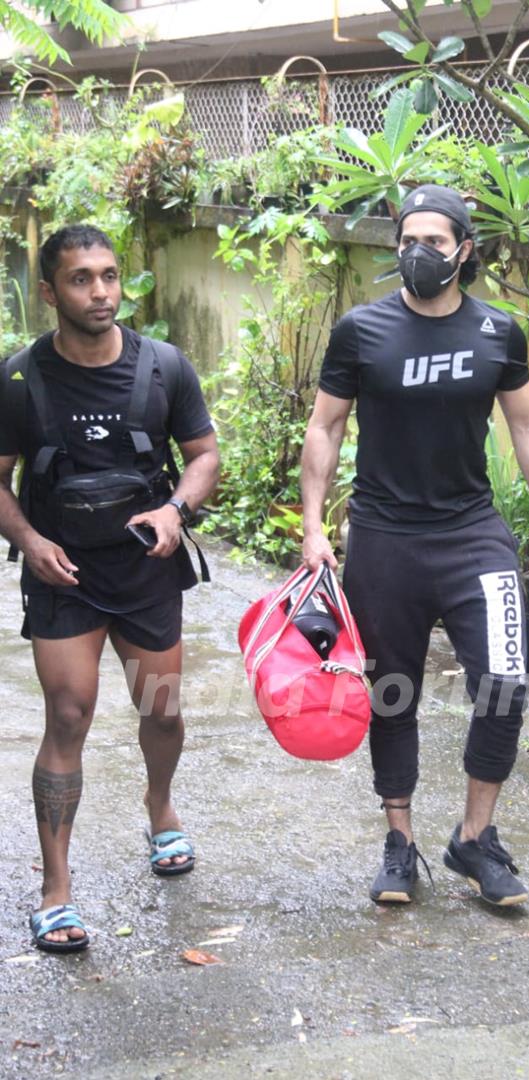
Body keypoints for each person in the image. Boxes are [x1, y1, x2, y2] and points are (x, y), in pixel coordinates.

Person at [301, 185, 529, 908]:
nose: (417, 253)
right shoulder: (362, 330)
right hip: (384, 539)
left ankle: (474, 840)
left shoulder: (498, 332)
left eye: (434, 242)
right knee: (393, 694)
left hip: (472, 533)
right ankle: (401, 841)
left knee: (506, 682)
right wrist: (315, 525)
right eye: (407, 240)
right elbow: (324, 427)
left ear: (465, 250)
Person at [0, 225, 219, 952]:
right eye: (80, 279)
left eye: (108, 276)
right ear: (49, 292)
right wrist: (30, 543)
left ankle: (160, 806)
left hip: (145, 568)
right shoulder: (20, 379)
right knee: (68, 714)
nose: (100, 292)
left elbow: (204, 457)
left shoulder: (163, 368)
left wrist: (175, 510)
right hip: (64, 573)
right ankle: (55, 890)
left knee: (161, 712)